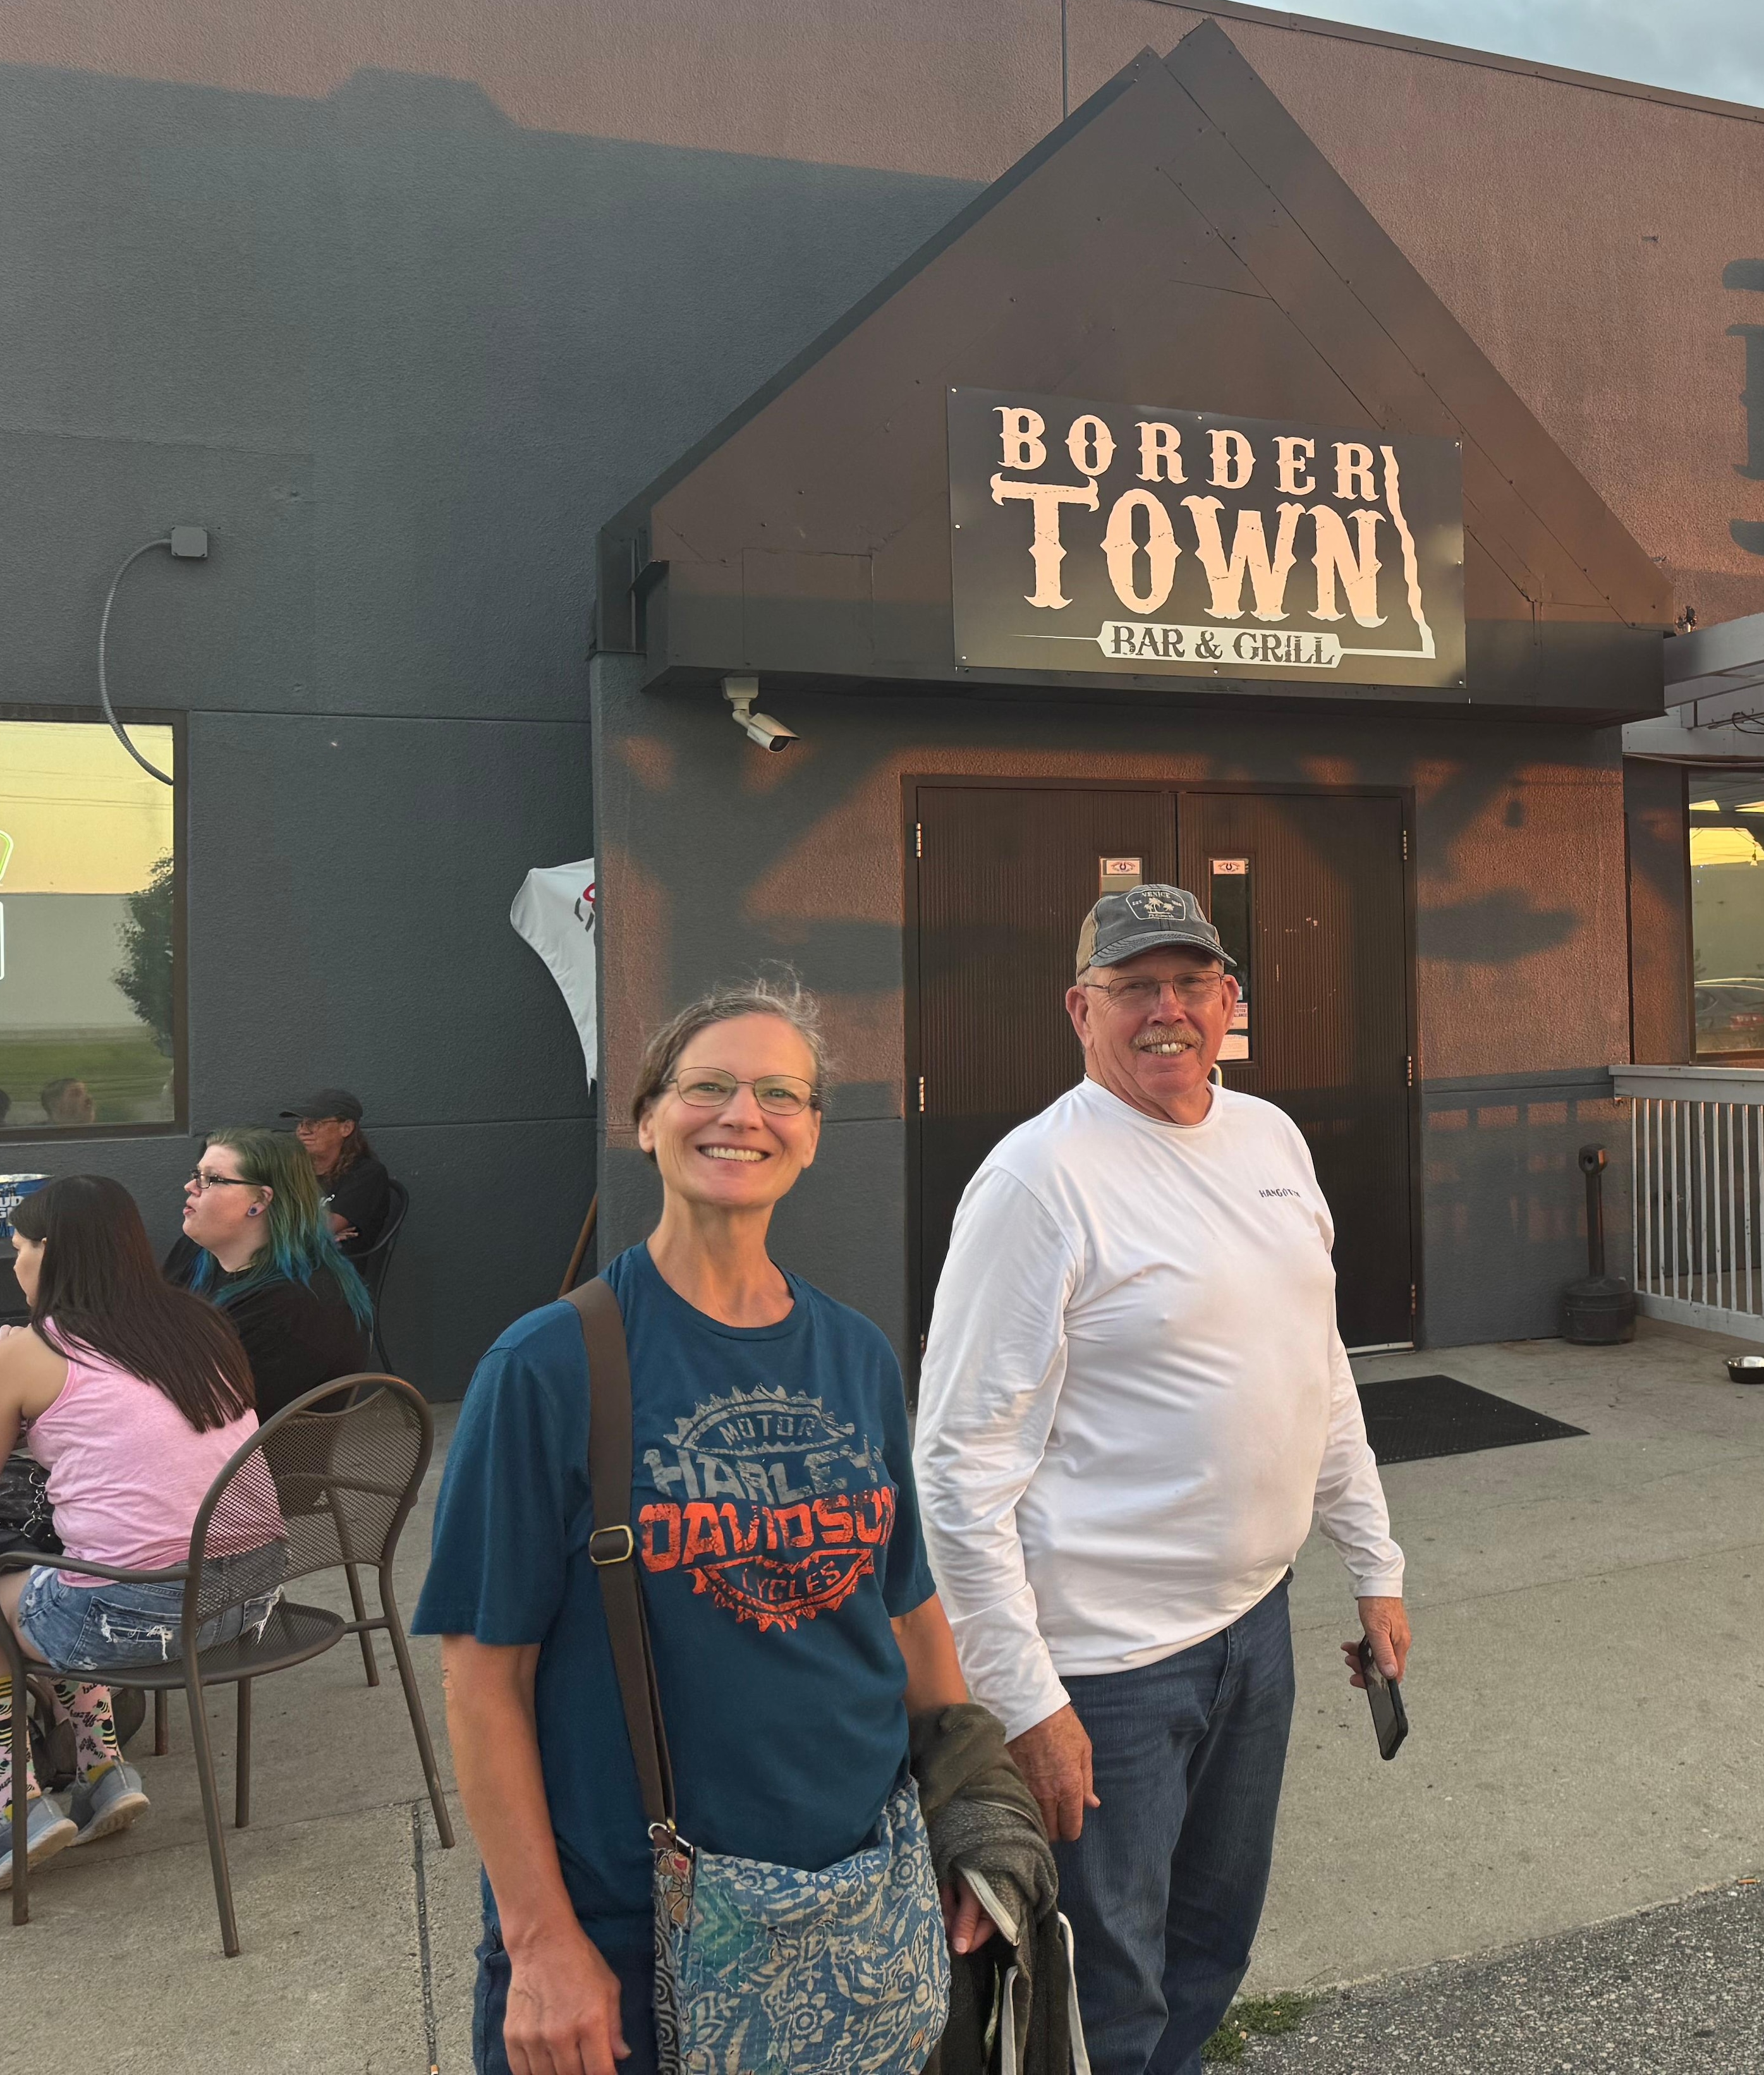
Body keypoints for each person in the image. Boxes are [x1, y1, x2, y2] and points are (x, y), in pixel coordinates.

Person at [415, 977, 1002, 2075]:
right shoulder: (548, 1366)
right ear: (646, 1120)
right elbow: (484, 1680)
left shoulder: (857, 1353)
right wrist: (540, 1942)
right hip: (633, 1932)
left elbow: (907, 1608)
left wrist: (973, 1807)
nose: (743, 1115)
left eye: (780, 1093)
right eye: (708, 1086)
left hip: (861, 1907)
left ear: (813, 1135)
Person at [916, 884, 1410, 2075]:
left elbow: (1319, 1368)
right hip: (1107, 1668)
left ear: (1230, 1001)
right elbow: (957, 1466)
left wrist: (1375, 1562)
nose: (1166, 1011)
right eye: (1134, 986)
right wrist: (1026, 1700)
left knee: (1209, 1947)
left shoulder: (1272, 1140)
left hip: (1255, 1630)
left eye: (1190, 984)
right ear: (1078, 1010)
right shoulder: (1038, 1181)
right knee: (1103, 1985)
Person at [0, 1176, 289, 1889]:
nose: (15, 1263)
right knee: (64, 1573)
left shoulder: (30, 1351)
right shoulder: (200, 1323)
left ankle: (9, 1812)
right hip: (251, 1600)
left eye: (21, 1247)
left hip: (140, 1615)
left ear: (51, 1254)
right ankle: (101, 1773)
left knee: (7, 1597)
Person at [173, 1129, 375, 1419]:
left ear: (260, 1200)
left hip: (240, 1445)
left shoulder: (295, 1306)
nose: (191, 1186)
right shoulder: (198, 1252)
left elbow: (210, 1412)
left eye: (211, 1179)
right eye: (197, 1174)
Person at [284, 1088, 395, 1255]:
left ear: (346, 1128)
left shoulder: (367, 1174)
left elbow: (322, 1229)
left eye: (314, 1123)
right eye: (301, 1123)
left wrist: (314, 1231)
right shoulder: (294, 1169)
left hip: (334, 1267)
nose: (303, 1131)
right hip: (290, 1259)